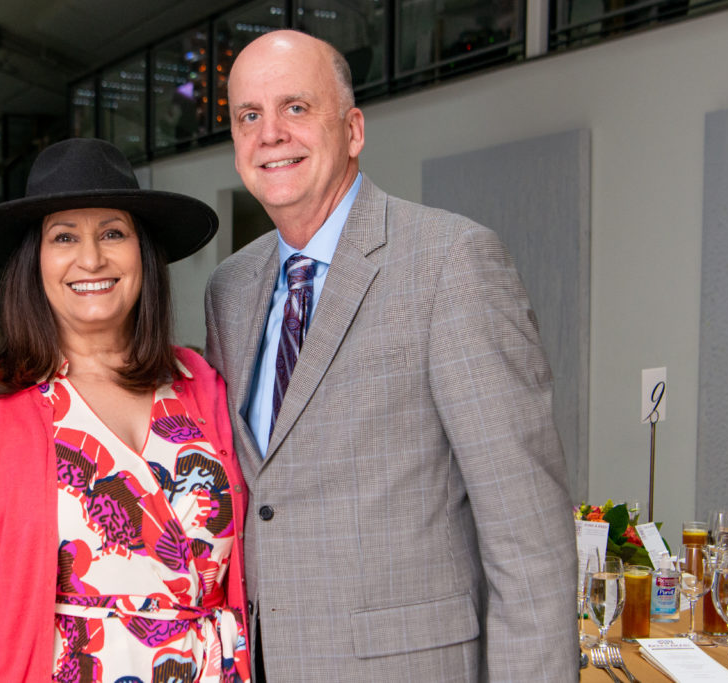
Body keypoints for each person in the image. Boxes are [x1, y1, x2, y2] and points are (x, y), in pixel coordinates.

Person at [204, 30, 577, 681]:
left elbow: (530, 547)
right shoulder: (229, 291)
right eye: (248, 116)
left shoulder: (451, 263)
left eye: (296, 107)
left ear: (352, 129)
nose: (270, 134)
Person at [0, 138, 251, 682]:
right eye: (64, 237)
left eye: (113, 233)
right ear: (33, 261)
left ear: (143, 253)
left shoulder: (199, 383)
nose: (91, 258)